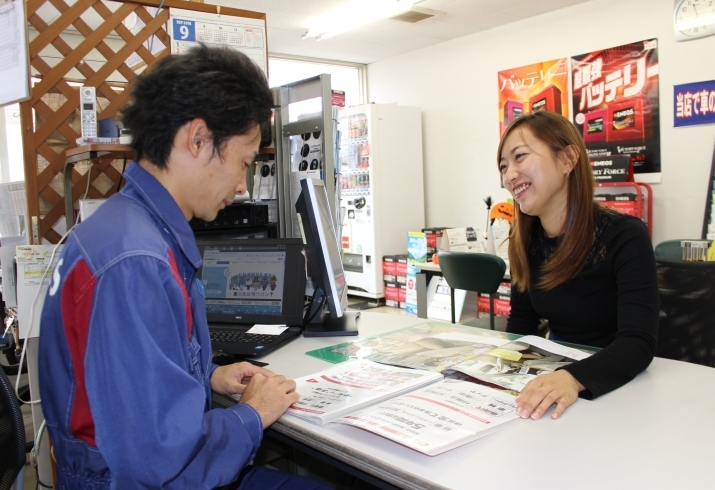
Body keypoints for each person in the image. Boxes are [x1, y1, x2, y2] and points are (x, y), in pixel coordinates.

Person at [39, 45, 328, 489]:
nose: (242, 185)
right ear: (197, 139)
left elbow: (125, 386)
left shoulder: (124, 228)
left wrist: (208, 376)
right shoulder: (137, 262)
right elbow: (164, 463)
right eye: (244, 163)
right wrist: (253, 415)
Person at [497, 110, 658, 421]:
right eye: (503, 166)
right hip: (556, 383)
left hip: (618, 387)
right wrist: (496, 372)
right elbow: (521, 328)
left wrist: (571, 378)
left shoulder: (625, 235)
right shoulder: (526, 241)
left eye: (520, 157)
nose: (509, 175)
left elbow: (637, 343)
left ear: (568, 159)